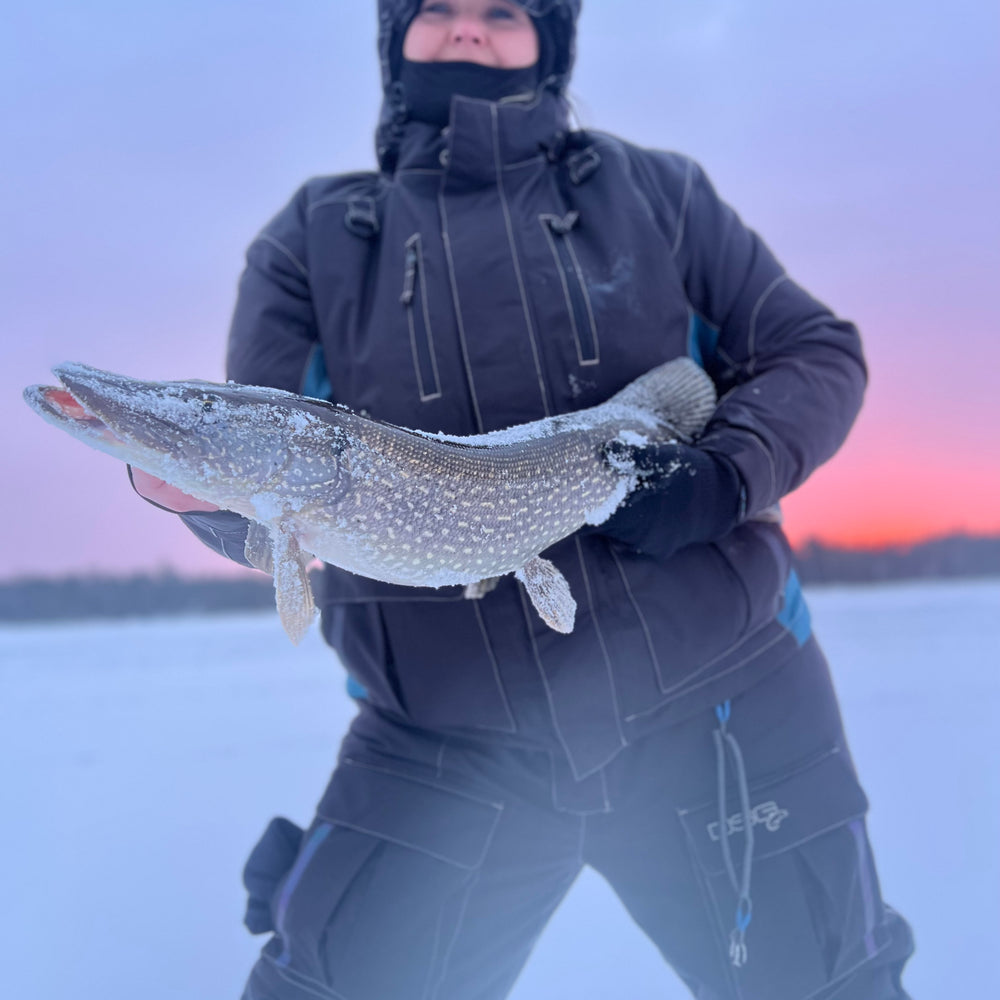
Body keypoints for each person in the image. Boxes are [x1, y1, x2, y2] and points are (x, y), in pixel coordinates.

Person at [133, 2, 915, 997]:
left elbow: (814, 353)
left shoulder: (656, 195)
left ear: (551, 39)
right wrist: (197, 498)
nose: (468, 31)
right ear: (394, 37)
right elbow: (276, 476)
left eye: (502, 10)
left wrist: (721, 476)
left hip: (720, 706)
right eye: (437, 10)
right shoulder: (312, 242)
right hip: (437, 736)